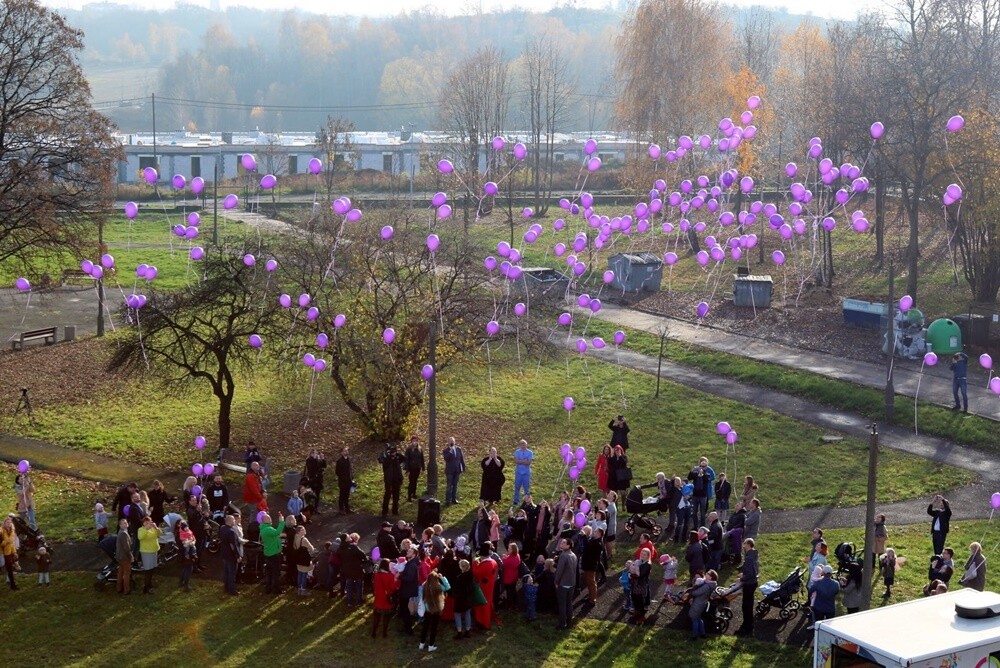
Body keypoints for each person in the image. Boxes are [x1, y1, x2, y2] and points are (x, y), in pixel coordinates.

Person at [734, 538, 759, 635]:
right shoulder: (754, 555)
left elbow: (750, 574)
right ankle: (748, 624)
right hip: (753, 582)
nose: (743, 545)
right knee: (749, 605)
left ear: (748, 544)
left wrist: (741, 578)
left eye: (744, 543)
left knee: (746, 606)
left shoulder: (749, 558)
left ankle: (747, 626)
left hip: (749, 584)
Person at [372, 558, 399, 639]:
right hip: (386, 599)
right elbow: (393, 587)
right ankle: (384, 633)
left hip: (378, 598)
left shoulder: (377, 575)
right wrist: (396, 579)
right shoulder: (390, 576)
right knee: (386, 618)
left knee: (376, 617)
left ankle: (373, 632)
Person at [554, 537, 578, 629]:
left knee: (562, 605)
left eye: (563, 543)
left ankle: (561, 624)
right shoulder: (574, 555)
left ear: (568, 545)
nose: (561, 544)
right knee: (569, 603)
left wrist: (556, 581)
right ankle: (569, 623)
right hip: (572, 583)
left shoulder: (563, 555)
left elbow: (559, 571)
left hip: (563, 583)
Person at [419, 569, 445, 652]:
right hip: (436, 609)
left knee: (425, 627)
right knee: (434, 628)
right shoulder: (438, 587)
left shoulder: (424, 586)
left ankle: (421, 644)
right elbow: (448, 587)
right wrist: (443, 578)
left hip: (427, 609)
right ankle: (431, 645)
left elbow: (422, 596)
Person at [260, 511, 285, 595]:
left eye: (270, 517)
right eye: (268, 518)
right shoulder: (268, 529)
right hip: (273, 554)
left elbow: (275, 535)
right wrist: (281, 521)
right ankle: (277, 589)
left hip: (268, 553)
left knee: (269, 572)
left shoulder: (265, 528)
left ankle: (268, 588)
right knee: (276, 573)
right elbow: (277, 532)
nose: (270, 518)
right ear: (264, 520)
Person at [687, 569, 717, 639]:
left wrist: (695, 586)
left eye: (707, 574)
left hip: (698, 604)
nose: (706, 574)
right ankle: (703, 634)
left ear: (710, 577)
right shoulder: (710, 584)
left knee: (694, 619)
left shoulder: (706, 586)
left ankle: (694, 636)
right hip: (702, 603)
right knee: (698, 618)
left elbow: (696, 593)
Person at [687, 457, 715, 529]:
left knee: (702, 513)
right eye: (701, 466)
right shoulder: (695, 473)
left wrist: (703, 474)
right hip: (695, 495)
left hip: (703, 496)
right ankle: (695, 526)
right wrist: (692, 472)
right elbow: (689, 478)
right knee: (694, 512)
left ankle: (702, 526)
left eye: (704, 466)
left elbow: (707, 480)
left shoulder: (707, 474)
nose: (702, 467)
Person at [340, 533, 367, 607]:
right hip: (356, 568)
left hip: (347, 569)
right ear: (346, 539)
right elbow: (362, 555)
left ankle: (349, 601)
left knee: (349, 584)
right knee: (359, 584)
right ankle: (359, 600)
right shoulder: (353, 547)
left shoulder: (340, 548)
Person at [137, 515, 161, 595]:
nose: (148, 524)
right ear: (143, 524)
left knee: (153, 568)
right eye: (146, 522)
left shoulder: (153, 529)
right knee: (148, 570)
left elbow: (159, 534)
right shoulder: (141, 530)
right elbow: (140, 537)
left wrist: (156, 528)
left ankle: (150, 584)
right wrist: (147, 529)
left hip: (154, 550)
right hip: (147, 552)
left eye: (149, 522)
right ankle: (146, 588)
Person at [379, 443, 404, 517]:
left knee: (396, 496)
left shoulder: (397, 458)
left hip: (396, 479)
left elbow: (403, 458)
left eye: (394, 451)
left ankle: (395, 511)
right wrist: (388, 455)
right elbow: (382, 461)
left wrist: (397, 455)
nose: (394, 453)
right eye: (392, 452)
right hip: (389, 480)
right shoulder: (386, 460)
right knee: (387, 495)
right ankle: (384, 511)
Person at [452, 559, 475, 639]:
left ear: (461, 567)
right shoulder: (471, 575)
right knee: (467, 613)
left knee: (457, 614)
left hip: (461, 598)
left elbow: (457, 588)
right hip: (468, 598)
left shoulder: (460, 578)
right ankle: (468, 630)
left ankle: (459, 631)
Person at [630, 547, 653, 624]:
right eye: (641, 553)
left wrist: (631, 575)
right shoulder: (641, 562)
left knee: (640, 601)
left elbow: (640, 575)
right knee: (634, 598)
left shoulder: (647, 565)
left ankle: (641, 617)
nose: (642, 555)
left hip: (641, 585)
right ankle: (637, 612)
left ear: (648, 556)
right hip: (636, 584)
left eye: (644, 554)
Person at [581, 527, 604, 607]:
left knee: (591, 582)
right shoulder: (594, 540)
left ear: (600, 534)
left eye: (595, 531)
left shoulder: (598, 543)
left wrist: (584, 536)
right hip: (588, 564)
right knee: (588, 581)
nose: (594, 532)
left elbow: (587, 547)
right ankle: (590, 596)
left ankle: (592, 599)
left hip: (591, 565)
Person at [219, 514, 240, 596]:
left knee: (226, 571)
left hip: (224, 554)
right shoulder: (231, 531)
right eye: (233, 520)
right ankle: (232, 590)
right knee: (232, 573)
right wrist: (238, 556)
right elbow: (233, 545)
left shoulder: (222, 528)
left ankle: (226, 587)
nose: (235, 521)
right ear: (230, 521)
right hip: (231, 555)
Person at [293, 525, 316, 596]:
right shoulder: (304, 539)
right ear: (299, 531)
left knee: (299, 573)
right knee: (304, 574)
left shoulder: (295, 537)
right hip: (304, 559)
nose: (305, 530)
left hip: (298, 558)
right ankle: (303, 590)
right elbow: (311, 548)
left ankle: (299, 588)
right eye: (303, 530)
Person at [443, 437, 467, 505]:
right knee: (449, 486)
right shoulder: (446, 450)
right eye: (450, 441)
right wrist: (450, 451)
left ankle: (454, 498)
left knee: (455, 485)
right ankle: (448, 500)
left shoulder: (458, 449)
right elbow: (446, 459)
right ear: (448, 442)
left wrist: (463, 467)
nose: (452, 442)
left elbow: (461, 459)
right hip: (449, 471)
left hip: (457, 470)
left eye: (453, 441)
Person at [512, 439, 534, 505]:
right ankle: (516, 500)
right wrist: (524, 460)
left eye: (524, 444)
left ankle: (527, 501)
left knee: (526, 487)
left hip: (526, 473)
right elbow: (516, 461)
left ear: (526, 445)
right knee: (517, 486)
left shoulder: (530, 452)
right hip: (518, 472)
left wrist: (520, 461)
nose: (523, 445)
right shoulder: (517, 452)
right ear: (519, 445)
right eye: (521, 444)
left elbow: (529, 462)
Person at [114, 518, 132, 595]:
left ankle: (118, 588)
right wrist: (131, 556)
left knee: (120, 572)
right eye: (123, 523)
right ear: (120, 525)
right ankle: (126, 590)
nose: (126, 524)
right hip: (124, 557)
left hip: (119, 556)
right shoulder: (124, 533)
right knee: (127, 573)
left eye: (126, 522)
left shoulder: (120, 532)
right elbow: (126, 547)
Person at [404, 437, 425, 503]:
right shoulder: (409, 449)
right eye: (413, 441)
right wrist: (407, 469)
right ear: (411, 442)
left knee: (415, 481)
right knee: (411, 482)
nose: (415, 442)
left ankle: (414, 494)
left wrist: (423, 467)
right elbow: (406, 460)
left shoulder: (420, 449)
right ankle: (409, 496)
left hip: (418, 467)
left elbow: (422, 458)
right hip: (411, 468)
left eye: (416, 441)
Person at [501, 543, 521, 609]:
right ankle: (516, 603)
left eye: (509, 548)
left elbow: (503, 565)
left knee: (509, 591)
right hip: (514, 576)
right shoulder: (517, 556)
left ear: (513, 550)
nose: (508, 549)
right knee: (513, 590)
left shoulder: (508, 559)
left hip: (508, 577)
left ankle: (509, 605)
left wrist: (504, 558)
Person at [335, 447, 353, 515]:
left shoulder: (349, 460)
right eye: (345, 451)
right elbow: (337, 472)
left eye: (347, 451)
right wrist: (342, 477)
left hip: (348, 480)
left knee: (347, 495)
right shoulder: (339, 461)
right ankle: (341, 509)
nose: (346, 452)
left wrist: (351, 478)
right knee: (342, 495)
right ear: (342, 452)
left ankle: (347, 508)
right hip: (342, 481)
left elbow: (350, 470)